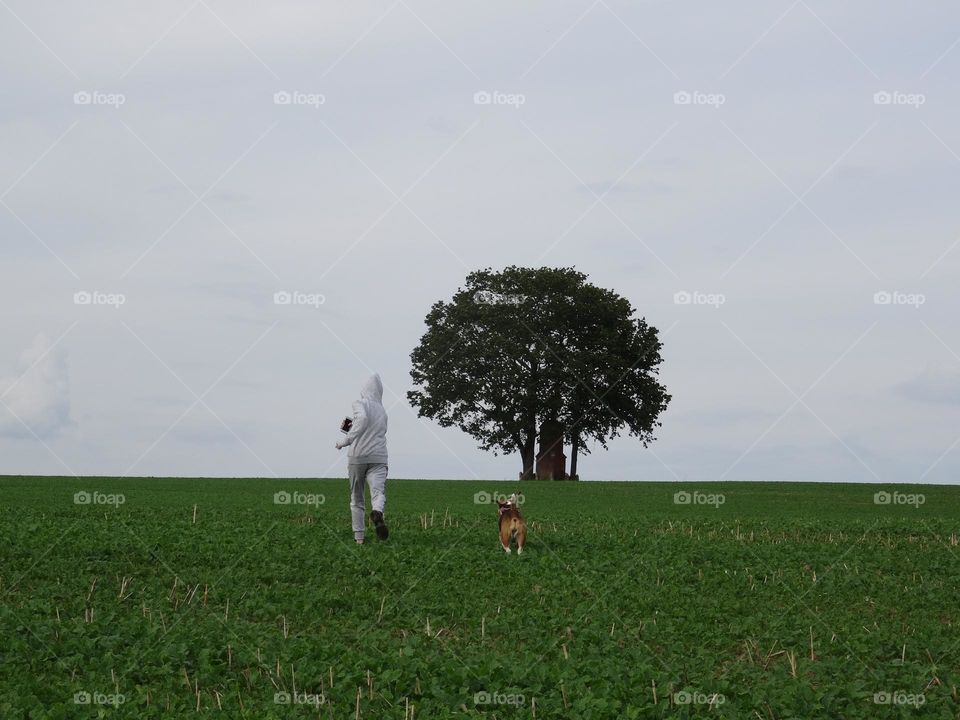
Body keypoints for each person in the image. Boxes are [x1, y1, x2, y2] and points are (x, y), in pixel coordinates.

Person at [335, 373, 389, 544]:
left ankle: (359, 538)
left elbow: (363, 419)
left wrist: (346, 439)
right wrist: (353, 427)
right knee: (378, 492)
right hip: (379, 457)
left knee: (356, 498)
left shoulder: (359, 403)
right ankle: (378, 511)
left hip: (357, 456)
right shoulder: (383, 411)